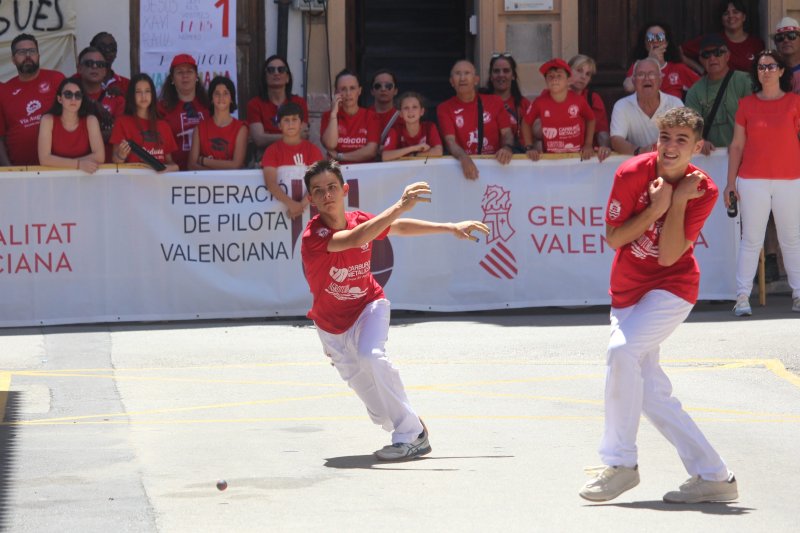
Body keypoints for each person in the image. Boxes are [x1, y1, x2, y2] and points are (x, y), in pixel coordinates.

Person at [579, 106, 738, 504]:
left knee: (621, 352)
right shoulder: (631, 173)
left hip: (672, 290)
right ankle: (715, 476)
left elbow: (668, 257)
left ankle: (621, 463)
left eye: (681, 140)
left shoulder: (703, 189)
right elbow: (614, 239)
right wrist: (654, 208)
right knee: (650, 393)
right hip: (626, 293)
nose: (670, 147)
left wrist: (677, 201)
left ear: (697, 147)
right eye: (665, 137)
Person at [300, 159, 489, 460]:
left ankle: (410, 436)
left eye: (332, 187)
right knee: (380, 413)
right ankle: (411, 426)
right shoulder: (314, 236)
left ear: (345, 190)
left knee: (371, 356)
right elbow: (357, 238)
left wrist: (450, 227)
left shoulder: (361, 219)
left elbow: (397, 227)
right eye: (319, 191)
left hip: (368, 306)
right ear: (311, 198)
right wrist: (400, 205)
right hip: (331, 329)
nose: (327, 195)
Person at [725, 50, 800, 316]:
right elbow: (736, 146)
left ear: (781, 71)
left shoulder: (795, 102)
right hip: (752, 180)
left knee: (791, 239)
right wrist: (730, 183)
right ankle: (742, 297)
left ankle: (798, 294)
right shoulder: (746, 104)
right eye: (761, 67)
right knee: (751, 239)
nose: (766, 71)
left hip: (790, 179)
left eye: (771, 66)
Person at [437, 59, 514, 180]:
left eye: (467, 73)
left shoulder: (495, 102)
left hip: (495, 169)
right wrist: (463, 158)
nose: (462, 78)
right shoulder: (444, 108)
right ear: (452, 81)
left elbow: (507, 133)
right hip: (462, 171)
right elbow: (450, 141)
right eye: (458, 74)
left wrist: (507, 148)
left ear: (476, 80)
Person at [0, 33, 65, 166]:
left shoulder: (57, 79)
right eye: (22, 52)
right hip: (20, 170)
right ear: (13, 59)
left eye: (32, 51)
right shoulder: (4, 91)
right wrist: (8, 169)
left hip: (59, 167)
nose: (28, 56)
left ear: (38, 56)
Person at [684, 33, 752, 155]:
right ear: (700, 59)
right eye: (706, 54)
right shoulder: (694, 91)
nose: (712, 58)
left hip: (744, 153)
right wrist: (699, 141)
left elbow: (757, 118)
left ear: (727, 56)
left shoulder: (745, 81)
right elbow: (690, 127)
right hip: (710, 157)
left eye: (718, 53)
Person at [522, 58, 595, 161]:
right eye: (550, 76)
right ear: (546, 81)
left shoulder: (579, 100)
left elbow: (591, 119)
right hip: (551, 159)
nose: (554, 79)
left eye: (559, 75)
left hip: (577, 158)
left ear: (568, 80)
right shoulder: (539, 102)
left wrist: (588, 144)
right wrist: (529, 147)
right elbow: (526, 123)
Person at [261, 101, 323, 218]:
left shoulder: (312, 150)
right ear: (279, 125)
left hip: (308, 211)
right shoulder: (272, 151)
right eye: (286, 120)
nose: (290, 124)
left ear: (302, 124)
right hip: (280, 214)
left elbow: (318, 181)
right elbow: (270, 183)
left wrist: (300, 206)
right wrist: (291, 204)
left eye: (294, 119)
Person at [610, 58, 684, 156]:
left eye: (652, 74)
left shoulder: (675, 104)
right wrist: (640, 151)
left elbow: (683, 136)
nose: (646, 79)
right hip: (637, 161)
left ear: (660, 80)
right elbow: (616, 140)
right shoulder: (622, 105)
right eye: (641, 74)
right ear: (633, 81)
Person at [110, 73, 179, 172]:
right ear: (132, 95)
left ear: (152, 94)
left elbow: (169, 162)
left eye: (147, 91)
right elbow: (115, 161)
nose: (143, 96)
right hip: (133, 180)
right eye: (138, 92)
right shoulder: (122, 122)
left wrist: (173, 167)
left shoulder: (164, 126)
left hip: (159, 180)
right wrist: (121, 155)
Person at [37, 77, 105, 172]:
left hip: (85, 176)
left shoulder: (91, 120)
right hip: (55, 177)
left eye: (78, 95)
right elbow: (44, 159)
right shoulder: (48, 120)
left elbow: (100, 157)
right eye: (68, 94)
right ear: (59, 99)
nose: (73, 99)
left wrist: (63, 163)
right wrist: (78, 164)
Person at [247, 55, 309, 153]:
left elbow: (303, 135)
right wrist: (291, 136)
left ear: (287, 78)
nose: (276, 73)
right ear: (265, 77)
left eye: (281, 69)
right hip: (265, 154)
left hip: (295, 152)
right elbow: (259, 140)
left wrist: (268, 136)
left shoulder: (299, 102)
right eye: (271, 70)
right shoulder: (254, 104)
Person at [158, 53, 210, 170]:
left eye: (189, 71)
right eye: (180, 72)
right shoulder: (161, 108)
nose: (185, 76)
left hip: (205, 172)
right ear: (172, 78)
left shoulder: (209, 106)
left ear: (196, 76)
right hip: (173, 174)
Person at [682, 1, 764, 74]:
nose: (731, 16)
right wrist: (701, 70)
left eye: (735, 12)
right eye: (726, 13)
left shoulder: (756, 44)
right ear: (722, 19)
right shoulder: (712, 40)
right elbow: (679, 51)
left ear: (744, 17)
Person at [622, 22, 699, 99]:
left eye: (660, 37)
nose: (655, 40)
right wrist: (649, 61)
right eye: (650, 37)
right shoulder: (638, 66)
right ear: (645, 43)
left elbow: (702, 87)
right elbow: (629, 88)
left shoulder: (678, 68)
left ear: (666, 43)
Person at [187, 76, 248, 170]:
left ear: (231, 98)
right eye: (217, 93)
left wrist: (203, 160)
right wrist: (214, 175)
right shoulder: (199, 128)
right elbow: (191, 166)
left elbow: (236, 165)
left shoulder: (241, 128)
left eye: (225, 93)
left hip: (231, 180)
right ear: (211, 98)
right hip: (205, 180)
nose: (221, 97)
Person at [321, 70, 381, 164]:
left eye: (352, 88)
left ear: (359, 91)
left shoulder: (371, 116)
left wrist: (339, 156)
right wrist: (333, 114)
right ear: (336, 92)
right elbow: (330, 145)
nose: (348, 93)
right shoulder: (328, 116)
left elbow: (371, 151)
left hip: (365, 170)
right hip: (337, 171)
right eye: (343, 89)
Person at [77, 46, 125, 162]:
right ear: (79, 68)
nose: (95, 67)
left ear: (105, 71)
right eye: (89, 63)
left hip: (110, 168)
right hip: (77, 166)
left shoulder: (117, 100)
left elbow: (119, 135)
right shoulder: (70, 98)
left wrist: (83, 135)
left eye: (100, 64)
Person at [568, 54, 612, 161]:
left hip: (588, 157)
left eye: (588, 74)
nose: (583, 77)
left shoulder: (593, 98)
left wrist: (604, 147)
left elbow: (602, 132)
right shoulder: (552, 95)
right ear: (568, 71)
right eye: (579, 71)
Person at [482, 52, 529, 152]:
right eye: (496, 71)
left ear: (513, 76)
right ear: (491, 76)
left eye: (506, 71)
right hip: (485, 158)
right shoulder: (479, 103)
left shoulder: (524, 104)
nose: (501, 75)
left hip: (516, 159)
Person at [381, 92, 443, 161]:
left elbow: (438, 151)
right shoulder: (395, 130)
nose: (410, 111)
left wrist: (414, 155)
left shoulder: (430, 127)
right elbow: (385, 156)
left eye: (414, 107)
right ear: (401, 113)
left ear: (422, 111)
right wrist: (414, 148)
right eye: (406, 108)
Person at [90, 32, 130, 97]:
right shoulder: (82, 82)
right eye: (102, 47)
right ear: (91, 51)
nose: (108, 50)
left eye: (112, 47)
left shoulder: (127, 84)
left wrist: (122, 96)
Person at [368, 69, 401, 147]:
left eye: (388, 86)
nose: (383, 89)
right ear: (372, 91)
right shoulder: (363, 116)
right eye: (378, 86)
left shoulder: (404, 117)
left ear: (395, 91)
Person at [773, 16, 800, 93]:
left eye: (791, 36)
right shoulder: (770, 72)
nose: (786, 40)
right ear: (775, 43)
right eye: (780, 37)